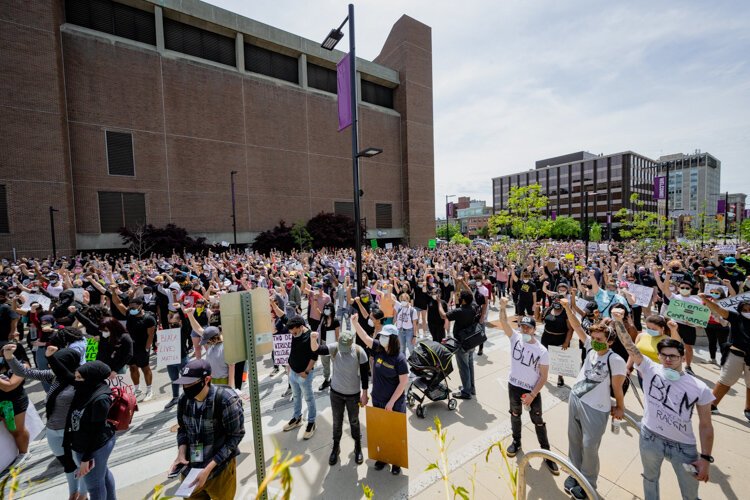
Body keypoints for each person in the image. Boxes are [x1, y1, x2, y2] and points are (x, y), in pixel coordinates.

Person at [612, 310, 715, 500]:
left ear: (683, 358)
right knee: (650, 479)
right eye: (664, 355)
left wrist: (706, 459)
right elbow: (629, 346)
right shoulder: (650, 369)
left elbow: (706, 425)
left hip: (683, 447)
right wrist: (618, 322)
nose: (668, 360)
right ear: (658, 356)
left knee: (690, 493)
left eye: (673, 356)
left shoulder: (700, 388)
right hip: (650, 438)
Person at [4, 344, 87, 499]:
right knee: (68, 465)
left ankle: (83, 495)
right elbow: (24, 372)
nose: (49, 365)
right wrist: (9, 356)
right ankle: (73, 493)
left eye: (54, 362)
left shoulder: (80, 380)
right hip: (53, 431)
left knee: (80, 465)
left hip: (73, 432)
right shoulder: (54, 374)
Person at [561, 299, 626, 499]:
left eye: (600, 338)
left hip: (597, 408)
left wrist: (620, 408)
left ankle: (587, 483)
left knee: (590, 446)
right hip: (576, 398)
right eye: (594, 337)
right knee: (574, 441)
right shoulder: (590, 347)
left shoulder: (616, 360)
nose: (596, 341)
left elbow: (617, 387)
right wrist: (567, 308)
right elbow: (577, 325)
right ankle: (574, 473)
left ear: (610, 341)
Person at [497, 297, 559, 475]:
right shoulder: (515, 338)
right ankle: (516, 442)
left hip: (531, 390)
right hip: (514, 386)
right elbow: (503, 321)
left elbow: (543, 376)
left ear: (534, 329)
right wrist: (502, 307)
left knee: (537, 420)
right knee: (515, 414)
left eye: (528, 327)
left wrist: (532, 394)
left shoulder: (542, 351)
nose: (524, 329)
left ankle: (546, 453)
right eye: (522, 326)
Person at [172, 359, 245, 500]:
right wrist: (181, 454)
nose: (186, 387)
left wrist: (208, 468)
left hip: (219, 471)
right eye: (184, 383)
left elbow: (235, 437)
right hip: (191, 471)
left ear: (206, 380)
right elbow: (182, 429)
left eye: (190, 383)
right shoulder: (184, 400)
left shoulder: (226, 400)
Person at [351, 320, 408, 475]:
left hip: (394, 403)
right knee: (381, 431)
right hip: (378, 399)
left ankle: (396, 461)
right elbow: (364, 337)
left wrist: (391, 402)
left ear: (393, 339)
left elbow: (403, 382)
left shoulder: (399, 359)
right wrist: (355, 323)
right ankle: (383, 457)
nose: (382, 338)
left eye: (386, 337)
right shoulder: (378, 349)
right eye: (382, 336)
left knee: (394, 433)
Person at [310, 328, 368, 466]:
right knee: (337, 421)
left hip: (353, 395)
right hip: (336, 393)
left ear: (351, 343)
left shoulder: (360, 352)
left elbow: (365, 376)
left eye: (345, 347)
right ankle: (336, 447)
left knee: (354, 421)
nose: (342, 349)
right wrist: (313, 339)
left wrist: (364, 394)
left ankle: (357, 446)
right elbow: (317, 349)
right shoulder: (335, 348)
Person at [67, 361, 117, 500]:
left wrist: (86, 458)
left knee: (95, 487)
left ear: (91, 378)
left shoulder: (100, 399)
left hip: (94, 448)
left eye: (79, 378)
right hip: (85, 445)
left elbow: (96, 431)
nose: (75, 381)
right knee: (102, 475)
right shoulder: (86, 390)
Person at [700, 295, 750, 420]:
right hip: (735, 355)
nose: (748, 312)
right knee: (725, 381)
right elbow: (718, 309)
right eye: (745, 310)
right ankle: (711, 405)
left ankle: (748, 409)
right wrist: (706, 300)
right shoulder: (735, 317)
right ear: (740, 310)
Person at [112, 294, 156, 400]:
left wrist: (147, 347)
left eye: (133, 306)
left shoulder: (149, 318)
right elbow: (118, 303)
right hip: (130, 347)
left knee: (145, 368)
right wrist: (113, 291)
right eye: (130, 306)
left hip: (142, 347)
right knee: (132, 368)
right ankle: (137, 389)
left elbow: (151, 334)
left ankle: (149, 390)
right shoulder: (129, 314)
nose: (131, 308)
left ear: (140, 306)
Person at [282, 316, 318, 440]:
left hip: (304, 375)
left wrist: (306, 371)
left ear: (301, 327)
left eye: (294, 331)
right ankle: (297, 418)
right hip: (292, 373)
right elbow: (283, 317)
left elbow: (314, 356)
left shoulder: (310, 336)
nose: (292, 333)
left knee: (309, 398)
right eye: (291, 331)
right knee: (296, 397)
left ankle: (312, 422)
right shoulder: (292, 331)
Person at [438, 290, 478, 400]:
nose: (458, 298)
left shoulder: (460, 311)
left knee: (464, 368)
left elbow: (443, 315)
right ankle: (470, 388)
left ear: (463, 300)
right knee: (470, 366)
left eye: (460, 297)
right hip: (471, 342)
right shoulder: (473, 307)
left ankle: (466, 392)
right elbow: (472, 294)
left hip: (462, 344)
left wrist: (439, 303)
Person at [0, 339, 31, 471]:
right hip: (2, 402)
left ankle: (24, 453)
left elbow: (9, 386)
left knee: (16, 430)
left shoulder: (22, 365)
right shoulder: (2, 363)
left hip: (13, 402)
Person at [540, 294, 573, 387]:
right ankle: (543, 375)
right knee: (544, 358)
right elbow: (539, 319)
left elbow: (570, 329)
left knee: (560, 361)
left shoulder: (566, 312)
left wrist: (566, 342)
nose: (557, 302)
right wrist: (537, 309)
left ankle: (560, 377)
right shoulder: (547, 310)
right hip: (546, 338)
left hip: (560, 339)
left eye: (559, 300)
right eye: (555, 300)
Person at [316, 303, 340, 391]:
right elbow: (315, 308)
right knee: (325, 363)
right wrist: (315, 298)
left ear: (332, 310)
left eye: (328, 308)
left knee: (335, 363)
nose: (326, 309)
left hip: (333, 345)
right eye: (325, 308)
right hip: (323, 344)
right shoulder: (323, 317)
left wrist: (338, 348)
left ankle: (336, 380)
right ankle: (327, 380)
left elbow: (338, 335)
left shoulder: (336, 321)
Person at [394, 293, 418, 357]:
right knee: (401, 349)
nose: (403, 302)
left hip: (409, 331)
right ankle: (403, 363)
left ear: (408, 300)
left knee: (411, 348)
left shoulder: (413, 310)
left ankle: (414, 364)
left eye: (404, 300)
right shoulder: (399, 309)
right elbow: (397, 320)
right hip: (400, 331)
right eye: (402, 300)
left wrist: (414, 336)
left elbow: (415, 324)